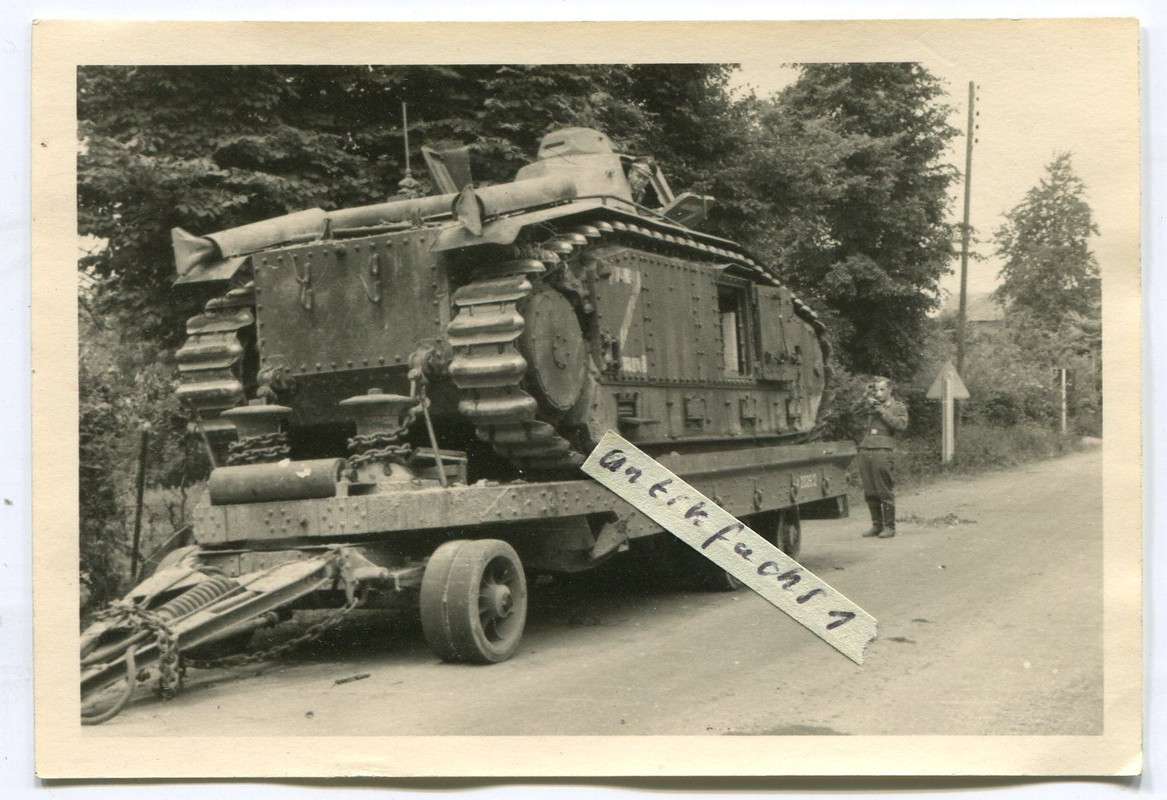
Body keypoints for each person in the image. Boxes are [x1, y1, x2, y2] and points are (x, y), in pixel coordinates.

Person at [854, 377, 909, 538]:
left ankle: (889, 527)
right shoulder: (870, 404)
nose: (878, 393)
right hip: (866, 448)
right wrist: (865, 396)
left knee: (884, 489)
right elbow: (854, 411)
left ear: (890, 390)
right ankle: (876, 525)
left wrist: (881, 411)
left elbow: (901, 425)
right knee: (869, 489)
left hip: (883, 449)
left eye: (882, 389)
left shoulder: (897, 407)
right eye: (876, 390)